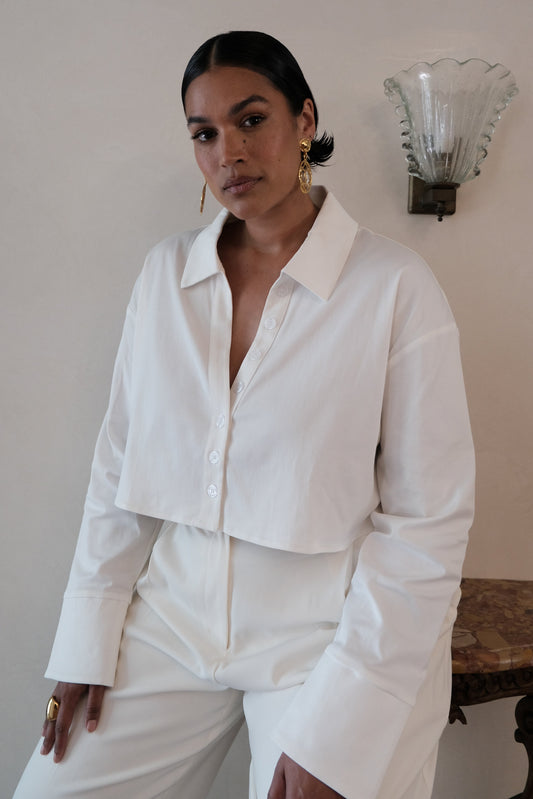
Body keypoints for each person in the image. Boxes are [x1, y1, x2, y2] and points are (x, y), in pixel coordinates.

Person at [13, 30, 475, 799]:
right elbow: (118, 466)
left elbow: (426, 523)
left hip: (324, 632)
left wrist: (344, 726)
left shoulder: (393, 287)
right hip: (171, 619)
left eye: (251, 120)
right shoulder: (165, 276)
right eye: (204, 133)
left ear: (304, 120)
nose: (228, 151)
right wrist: (87, 640)